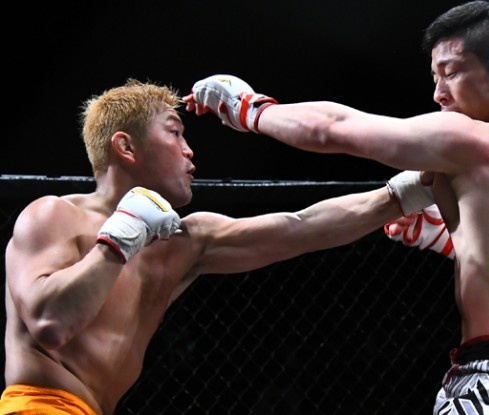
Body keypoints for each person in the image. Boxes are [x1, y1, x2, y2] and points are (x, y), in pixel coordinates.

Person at [183, 1, 489, 412]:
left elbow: (332, 129)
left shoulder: (475, 140)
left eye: (450, 72)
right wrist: (448, 239)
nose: (438, 93)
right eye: (435, 77)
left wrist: (249, 108)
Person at [0, 79, 432, 415]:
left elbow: (302, 227)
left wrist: (404, 193)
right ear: (126, 146)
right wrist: (117, 240)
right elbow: (49, 322)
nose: (190, 152)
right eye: (175, 133)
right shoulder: (54, 215)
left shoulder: (184, 243)